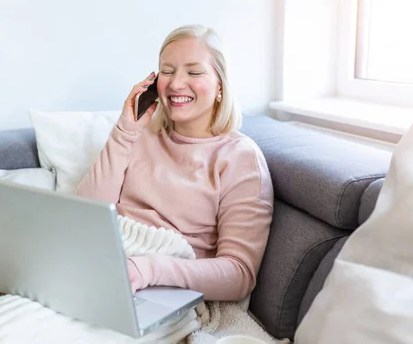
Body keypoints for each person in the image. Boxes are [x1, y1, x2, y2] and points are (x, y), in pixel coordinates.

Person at [75, 24, 274, 302]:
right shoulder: (137, 134)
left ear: (220, 86)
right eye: (167, 71)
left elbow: (239, 274)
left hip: (157, 288)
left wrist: (149, 270)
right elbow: (84, 216)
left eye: (194, 72)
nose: (176, 83)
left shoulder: (240, 158)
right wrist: (124, 132)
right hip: (100, 264)